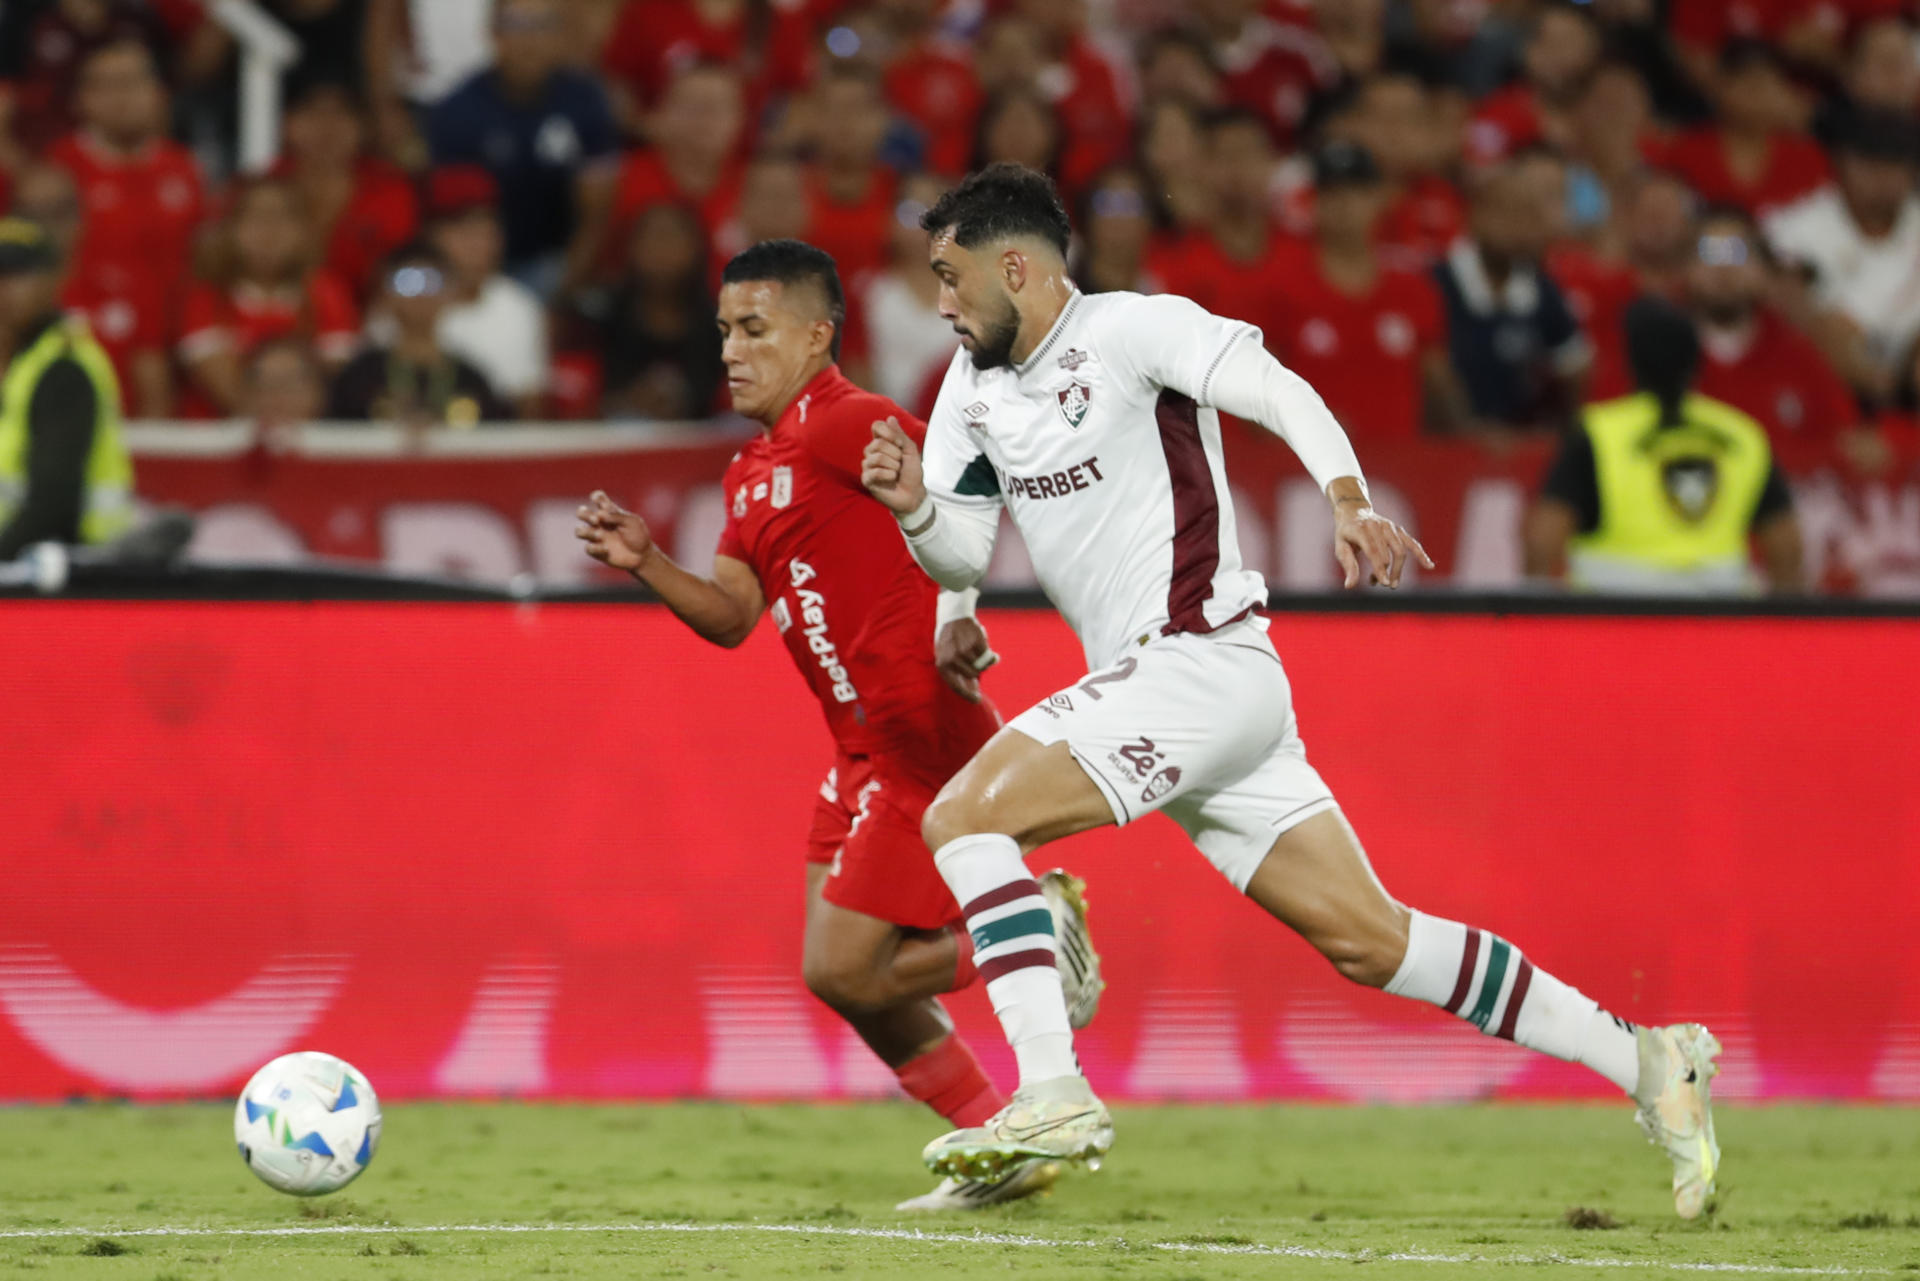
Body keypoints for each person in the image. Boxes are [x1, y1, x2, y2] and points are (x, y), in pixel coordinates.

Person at [857, 163, 1723, 1221]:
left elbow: (1275, 387)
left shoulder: (1131, 332)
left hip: (1195, 664)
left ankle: (1050, 1091)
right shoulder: (969, 386)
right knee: (1374, 940)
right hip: (1182, 695)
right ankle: (1649, 1060)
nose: (937, 301)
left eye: (950, 276)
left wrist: (1347, 497)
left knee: (966, 818)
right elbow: (962, 544)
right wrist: (929, 551)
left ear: (1016, 266)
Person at [575, 238, 1097, 1212]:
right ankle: (1004, 1144)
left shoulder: (846, 422)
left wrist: (957, 615)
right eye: (725, 328)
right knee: (848, 980)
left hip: (920, 730)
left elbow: (956, 489)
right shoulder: (751, 472)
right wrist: (647, 561)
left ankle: (1036, 921)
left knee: (845, 966)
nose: (731, 348)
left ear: (817, 335)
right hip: (856, 749)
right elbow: (733, 615)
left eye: (755, 328)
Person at [1525, 297, 1804, 595]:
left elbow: (1543, 540)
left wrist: (1538, 618)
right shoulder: (1742, 435)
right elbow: (1786, 548)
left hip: (1615, 617)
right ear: (1697, 360)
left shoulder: (1599, 433)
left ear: (1631, 361)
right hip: (1719, 618)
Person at [1267, 141, 1464, 440]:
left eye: (1357, 191)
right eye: (1333, 193)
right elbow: (1256, 392)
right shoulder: (1283, 287)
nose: (1346, 204)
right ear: (1315, 203)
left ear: (1380, 199)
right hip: (1310, 469)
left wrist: (1471, 435)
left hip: (1398, 469)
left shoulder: (1412, 288)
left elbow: (1440, 388)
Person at [426, 0, 618, 298]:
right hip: (478, 267)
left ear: (560, 33)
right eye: (517, 24)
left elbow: (596, 214)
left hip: (560, 261)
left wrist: (565, 289)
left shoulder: (586, 101)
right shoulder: (457, 111)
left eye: (543, 25)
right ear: (493, 33)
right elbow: (454, 218)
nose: (530, 38)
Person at [1765, 109, 1920, 405]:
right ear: (1842, 162)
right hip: (1825, 372)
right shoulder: (1796, 225)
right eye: (1870, 163)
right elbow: (1786, 308)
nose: (1883, 177)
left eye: (1894, 164)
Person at [0, 217, 133, 560]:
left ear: (53, 281)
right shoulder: (20, 363)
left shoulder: (63, 367)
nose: (3, 289)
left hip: (77, 570)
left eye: (17, 275)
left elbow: (53, 506)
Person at [1433, 154, 1590, 437]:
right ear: (1475, 214)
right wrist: (1469, 430)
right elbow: (1432, 373)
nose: (1519, 227)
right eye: (1506, 212)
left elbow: (1574, 368)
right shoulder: (1437, 284)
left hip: (1523, 445)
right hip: (1449, 446)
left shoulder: (1542, 290)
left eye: (1528, 215)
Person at [176, 177, 361, 418]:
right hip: (221, 442)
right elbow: (228, 391)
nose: (269, 231)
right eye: (256, 218)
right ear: (230, 229)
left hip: (307, 439)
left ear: (304, 231)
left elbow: (333, 382)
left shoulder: (328, 293)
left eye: (282, 218)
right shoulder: (207, 297)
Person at [1688, 206, 1859, 443]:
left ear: (1763, 270)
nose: (1723, 269)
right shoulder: (1659, 354)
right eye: (1709, 254)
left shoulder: (1799, 358)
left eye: (1738, 253)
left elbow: (1847, 441)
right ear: (1686, 267)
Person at [327, 242, 508, 426]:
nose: (420, 294)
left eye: (432, 282)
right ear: (386, 293)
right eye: (407, 282)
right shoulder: (360, 378)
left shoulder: (472, 381)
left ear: (452, 292)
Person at [421, 165, 549, 418]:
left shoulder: (519, 307)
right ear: (429, 236)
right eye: (463, 231)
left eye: (487, 230)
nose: (478, 244)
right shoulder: (405, 300)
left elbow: (529, 409)